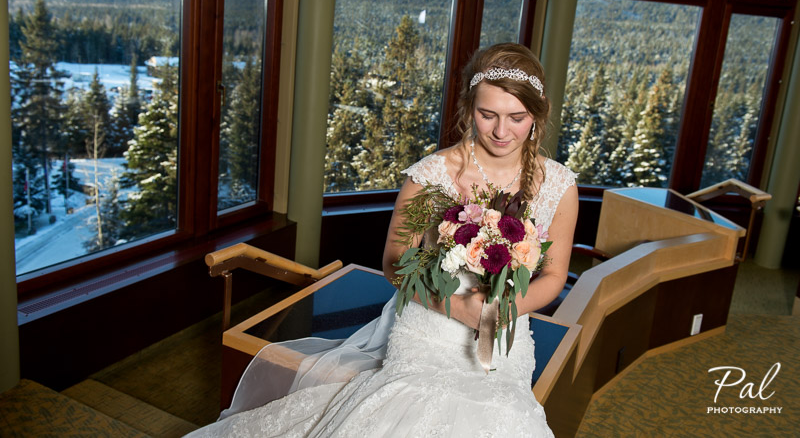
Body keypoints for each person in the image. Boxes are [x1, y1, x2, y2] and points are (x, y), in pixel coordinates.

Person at [188, 43, 578, 437]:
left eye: (517, 117)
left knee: (502, 417)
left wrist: (499, 311)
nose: (501, 131)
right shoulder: (432, 176)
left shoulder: (559, 185)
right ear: (468, 108)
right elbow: (395, 263)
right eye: (487, 114)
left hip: (505, 334)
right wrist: (456, 307)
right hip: (431, 323)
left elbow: (555, 274)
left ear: (537, 113)